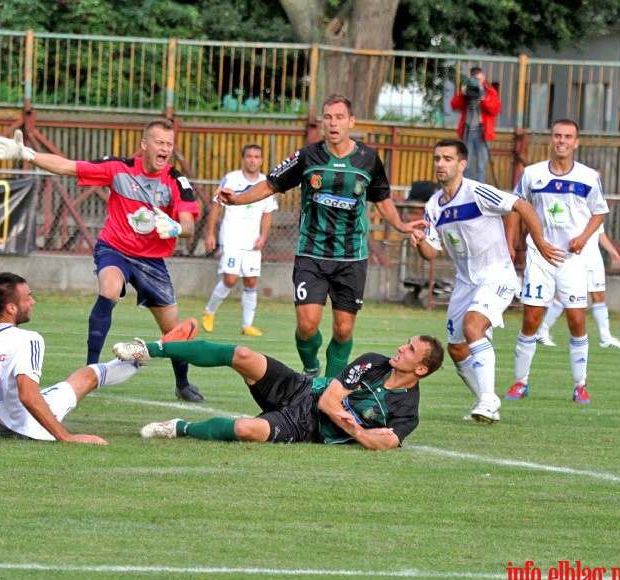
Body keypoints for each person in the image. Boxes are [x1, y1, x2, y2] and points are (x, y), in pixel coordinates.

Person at [0, 120, 206, 403]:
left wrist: (178, 228)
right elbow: (69, 166)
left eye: (169, 144)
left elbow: (189, 224)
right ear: (144, 145)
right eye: (159, 143)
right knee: (109, 289)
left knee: (173, 330)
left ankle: (182, 383)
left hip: (152, 262)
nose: (165, 148)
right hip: (114, 248)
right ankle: (89, 369)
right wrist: (27, 154)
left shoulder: (176, 181)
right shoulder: (118, 169)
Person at [215, 93, 427, 378]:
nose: (333, 123)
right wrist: (238, 198)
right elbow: (270, 184)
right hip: (312, 254)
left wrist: (401, 226)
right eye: (328, 117)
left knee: (343, 328)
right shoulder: (307, 156)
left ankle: (330, 385)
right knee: (307, 325)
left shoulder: (368, 158)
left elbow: (381, 197)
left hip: (352, 256)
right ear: (322, 123)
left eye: (339, 117)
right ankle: (312, 368)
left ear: (351, 121)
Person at [0, 272, 197, 443]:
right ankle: (150, 351)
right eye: (28, 298)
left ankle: (147, 351)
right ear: (11, 308)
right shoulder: (29, 339)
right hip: (25, 426)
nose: (33, 302)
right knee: (90, 375)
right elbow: (27, 395)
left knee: (70, 380)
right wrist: (65, 437)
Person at [410, 139, 563, 423]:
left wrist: (539, 242)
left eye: (447, 158)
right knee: (456, 348)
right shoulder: (434, 205)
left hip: (496, 275)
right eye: (437, 158)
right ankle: (484, 400)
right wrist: (419, 242)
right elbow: (431, 253)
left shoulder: (477, 192)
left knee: (473, 325)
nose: (440, 164)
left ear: (462, 164)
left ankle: (489, 400)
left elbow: (521, 205)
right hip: (465, 282)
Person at [113, 334, 444, 450]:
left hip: (305, 427)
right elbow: (330, 399)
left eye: (411, 350)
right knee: (242, 354)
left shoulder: (407, 413)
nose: (401, 348)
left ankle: (178, 428)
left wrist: (354, 428)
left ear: (421, 370)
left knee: (245, 428)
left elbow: (382, 444)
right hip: (302, 388)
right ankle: (150, 350)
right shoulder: (374, 362)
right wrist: (354, 426)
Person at [504, 119, 609, 405]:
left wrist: (584, 238)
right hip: (540, 256)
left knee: (576, 320)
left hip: (572, 258)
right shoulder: (532, 174)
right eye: (558, 135)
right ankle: (520, 382)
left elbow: (599, 211)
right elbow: (514, 207)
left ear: (577, 142)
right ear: (552, 139)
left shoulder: (587, 176)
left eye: (568, 137)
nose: (562, 140)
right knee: (531, 319)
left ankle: (580, 385)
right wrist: (510, 243)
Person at [201, 144, 278, 337]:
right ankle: (209, 312)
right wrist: (209, 233)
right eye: (249, 156)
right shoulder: (232, 178)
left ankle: (247, 325)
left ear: (261, 160)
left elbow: (268, 212)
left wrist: (263, 236)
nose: (253, 160)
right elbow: (216, 206)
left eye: (256, 156)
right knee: (230, 279)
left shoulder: (266, 182)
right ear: (243, 158)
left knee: (251, 282)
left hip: (252, 241)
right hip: (231, 238)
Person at [535, 228, 620, 349]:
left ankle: (605, 337)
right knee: (567, 295)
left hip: (594, 258)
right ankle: (542, 331)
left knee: (599, 295)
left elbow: (599, 230)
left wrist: (611, 250)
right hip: (577, 257)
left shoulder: (597, 211)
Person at [450, 66, 501, 183]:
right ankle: (467, 191)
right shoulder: (467, 90)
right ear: (471, 78)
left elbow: (495, 109)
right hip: (468, 130)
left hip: (483, 131)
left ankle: (479, 193)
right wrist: (462, 94)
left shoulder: (490, 91)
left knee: (481, 166)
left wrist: (483, 98)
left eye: (480, 79)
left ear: (484, 77)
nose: (478, 82)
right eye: (475, 79)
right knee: (466, 164)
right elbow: (454, 106)